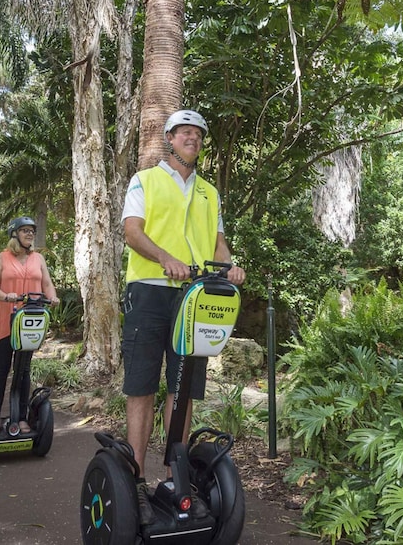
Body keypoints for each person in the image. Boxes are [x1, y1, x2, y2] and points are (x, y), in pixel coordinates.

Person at [120, 109, 246, 524]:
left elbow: (217, 241)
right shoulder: (146, 180)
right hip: (150, 290)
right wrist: (166, 258)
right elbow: (133, 231)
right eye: (184, 132)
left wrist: (230, 266)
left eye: (198, 134)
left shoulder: (209, 191)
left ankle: (176, 474)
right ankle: (135, 475)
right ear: (169, 138)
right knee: (141, 383)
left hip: (196, 295)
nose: (192, 138)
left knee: (185, 385)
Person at [0, 216, 59, 437]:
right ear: (15, 233)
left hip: (28, 322)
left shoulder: (38, 259)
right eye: (25, 230)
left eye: (32, 231)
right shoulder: (2, 258)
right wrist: (6, 296)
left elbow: (47, 284)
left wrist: (53, 298)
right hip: (4, 317)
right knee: (1, 369)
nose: (29, 234)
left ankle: (22, 417)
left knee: (24, 369)